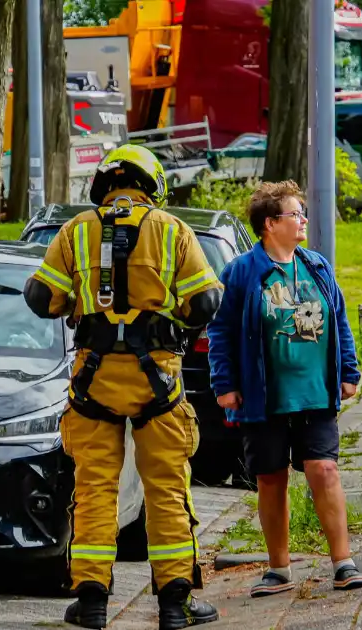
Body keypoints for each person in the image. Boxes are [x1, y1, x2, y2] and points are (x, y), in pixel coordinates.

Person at [23, 144, 223, 630]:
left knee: (94, 490)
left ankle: (91, 603)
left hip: (94, 381)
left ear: (103, 185)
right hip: (158, 382)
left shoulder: (76, 231)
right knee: (167, 490)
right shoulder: (172, 230)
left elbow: (40, 297)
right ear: (152, 184)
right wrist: (166, 313)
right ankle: (175, 606)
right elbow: (205, 302)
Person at [206, 180, 362, 598]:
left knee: (324, 469)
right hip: (264, 396)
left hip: (315, 390)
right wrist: (225, 385)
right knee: (271, 478)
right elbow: (221, 331)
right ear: (269, 224)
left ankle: (344, 562)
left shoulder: (316, 265)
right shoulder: (242, 271)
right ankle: (279, 568)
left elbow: (340, 319)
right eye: (295, 214)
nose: (303, 221)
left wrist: (349, 370)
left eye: (301, 213)